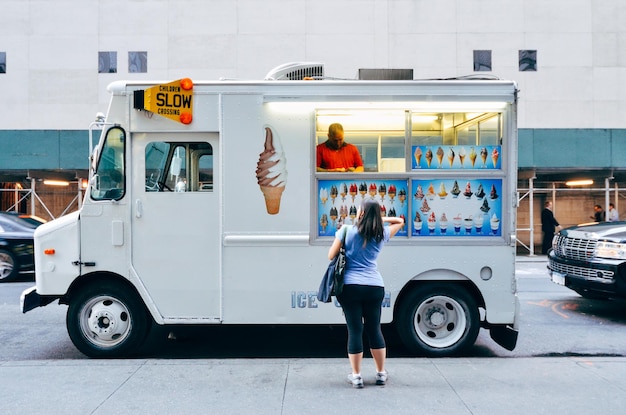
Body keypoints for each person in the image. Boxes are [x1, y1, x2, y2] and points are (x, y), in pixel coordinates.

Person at [327, 199, 404, 388]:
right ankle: (380, 373)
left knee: (355, 330)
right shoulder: (381, 233)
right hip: (374, 287)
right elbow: (400, 222)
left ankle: (357, 375)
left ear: (360, 213)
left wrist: (365, 218)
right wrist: (377, 218)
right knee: (374, 329)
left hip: (350, 286)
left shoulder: (346, 230)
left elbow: (331, 255)